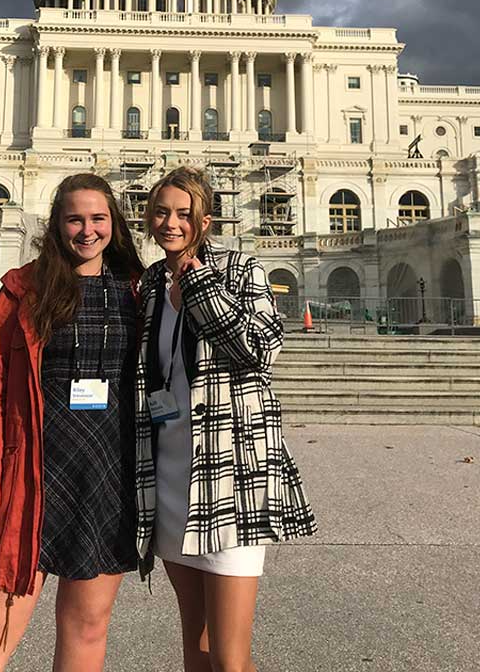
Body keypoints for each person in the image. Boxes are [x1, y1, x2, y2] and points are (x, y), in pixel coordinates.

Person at [0, 173, 144, 672]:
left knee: (87, 629)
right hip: (29, 475)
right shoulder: (24, 290)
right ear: (56, 226)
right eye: (74, 219)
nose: (87, 230)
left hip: (106, 477)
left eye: (98, 218)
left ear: (114, 225)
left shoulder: (138, 292)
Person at [135, 167, 316, 672]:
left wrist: (199, 285)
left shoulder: (241, 270)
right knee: (196, 645)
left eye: (184, 214)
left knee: (231, 658)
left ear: (205, 221)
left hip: (230, 474)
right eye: (161, 212)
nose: (170, 223)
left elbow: (259, 352)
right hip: (170, 471)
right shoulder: (150, 282)